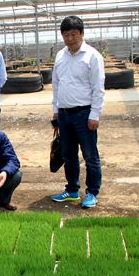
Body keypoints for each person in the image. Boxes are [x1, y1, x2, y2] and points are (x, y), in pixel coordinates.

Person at [50, 16, 105, 208]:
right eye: (66, 35)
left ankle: (92, 193)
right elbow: (56, 84)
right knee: (68, 155)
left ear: (81, 34)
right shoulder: (60, 55)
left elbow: (98, 88)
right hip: (64, 114)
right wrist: (56, 111)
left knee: (90, 155)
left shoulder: (92, 56)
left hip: (84, 114)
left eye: (74, 34)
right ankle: (72, 190)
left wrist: (94, 115)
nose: (70, 38)